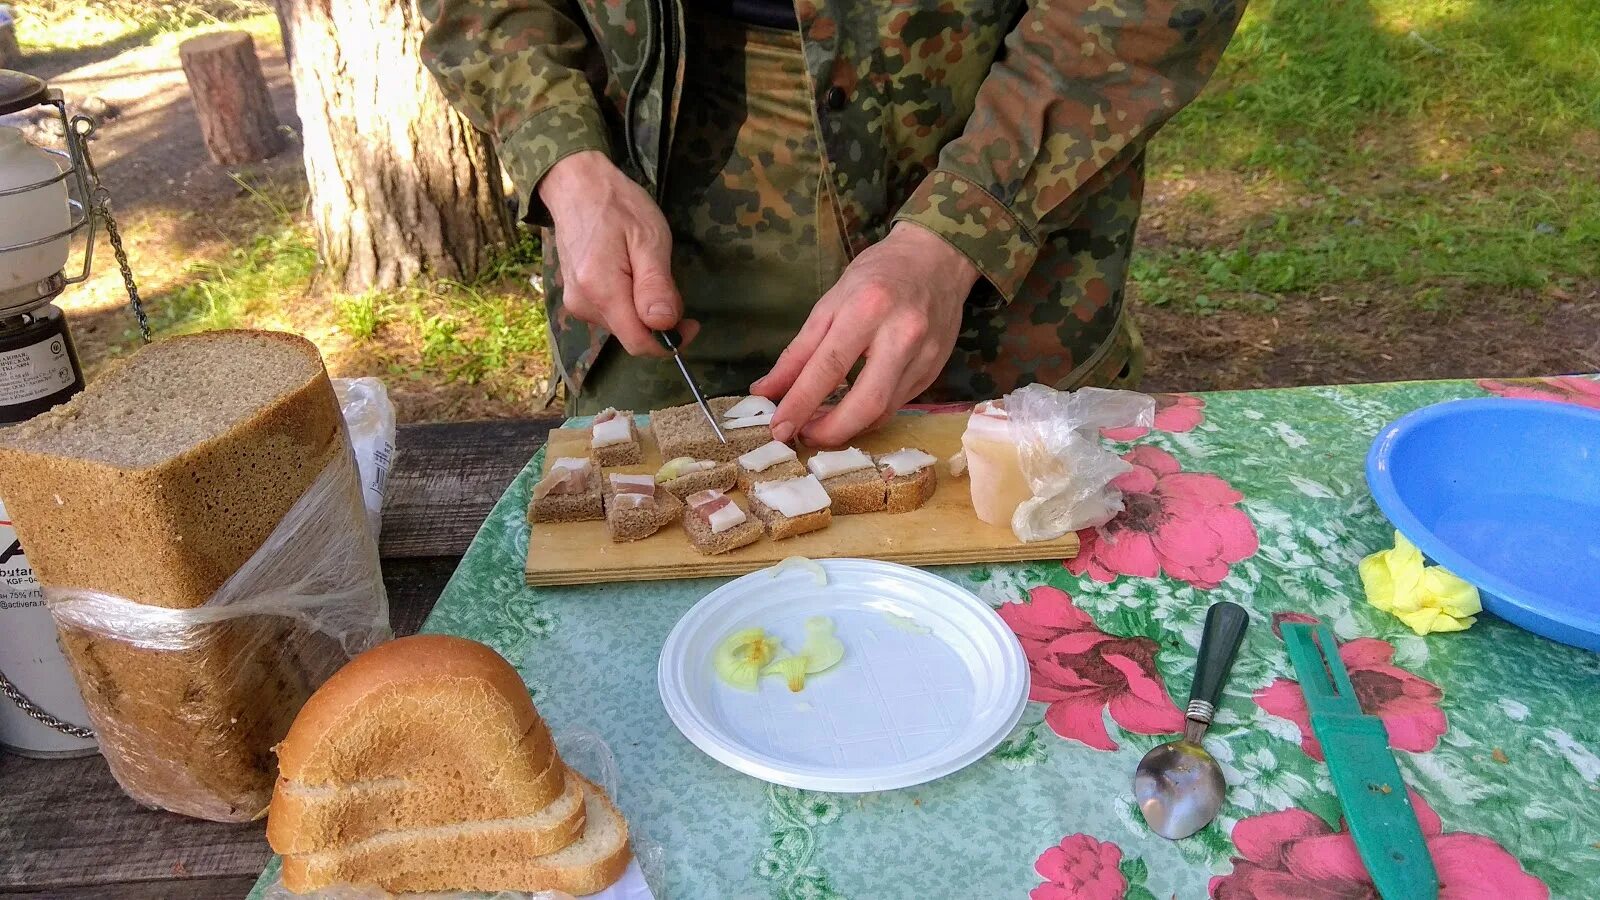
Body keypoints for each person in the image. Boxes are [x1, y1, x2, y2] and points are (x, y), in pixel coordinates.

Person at [420, 0, 1243, 446]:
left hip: (1000, 165)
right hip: (649, 188)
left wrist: (965, 228)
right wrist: (564, 156)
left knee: (1012, 575)